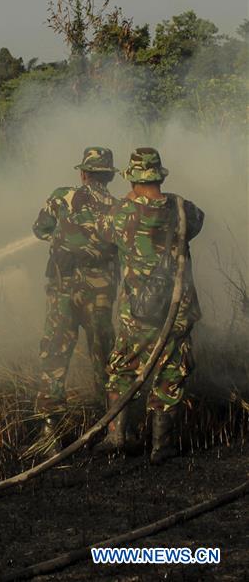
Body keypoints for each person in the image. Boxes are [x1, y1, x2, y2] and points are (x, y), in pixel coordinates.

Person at [94, 148, 204, 464]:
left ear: (132, 178)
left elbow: (102, 236)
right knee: (171, 372)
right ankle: (162, 447)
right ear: (159, 175)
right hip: (177, 311)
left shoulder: (120, 214)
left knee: (122, 369)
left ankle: (117, 436)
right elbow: (198, 225)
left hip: (137, 314)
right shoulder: (184, 209)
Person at [32, 147, 119, 453]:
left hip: (63, 292)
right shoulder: (119, 208)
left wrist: (61, 236)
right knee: (105, 358)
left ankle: (50, 432)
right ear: (108, 175)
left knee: (55, 355)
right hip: (100, 295)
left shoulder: (62, 197)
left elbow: (40, 228)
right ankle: (110, 428)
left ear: (83, 173)